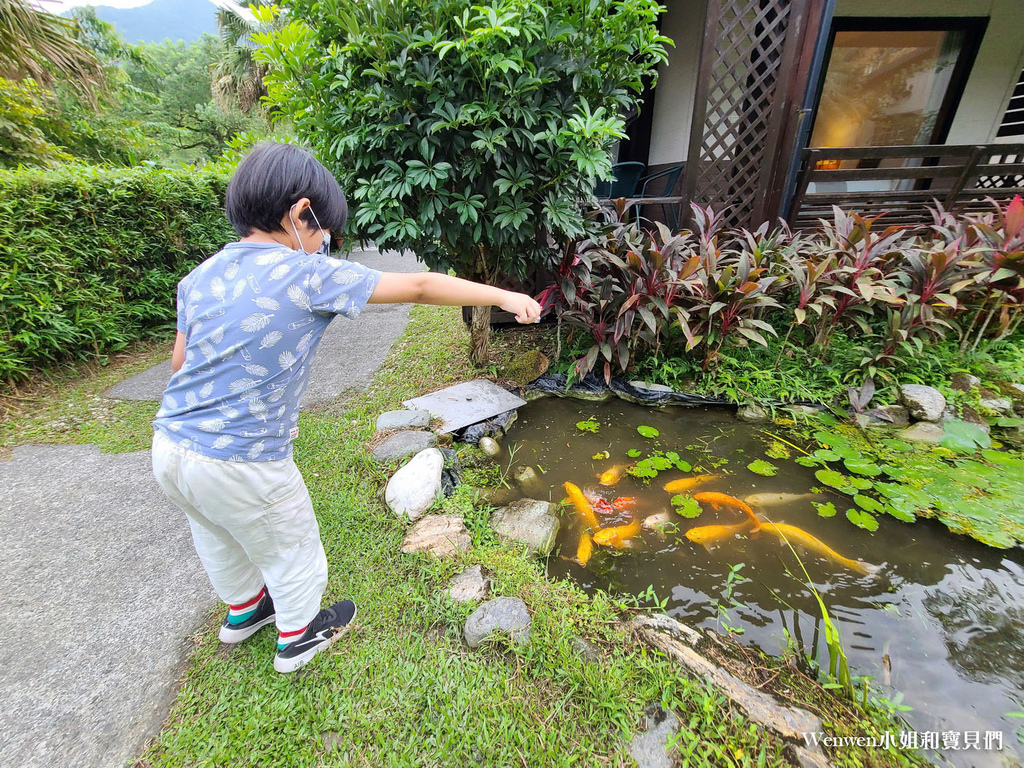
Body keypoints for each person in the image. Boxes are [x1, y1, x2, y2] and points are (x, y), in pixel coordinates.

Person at [151, 142, 541, 673]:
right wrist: (501, 297)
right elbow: (422, 286)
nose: (326, 243)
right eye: (323, 230)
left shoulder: (198, 278)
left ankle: (243, 610)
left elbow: (180, 365)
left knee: (216, 531)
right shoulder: (307, 273)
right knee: (290, 541)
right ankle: (299, 635)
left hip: (170, 446)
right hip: (244, 458)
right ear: (300, 214)